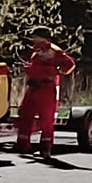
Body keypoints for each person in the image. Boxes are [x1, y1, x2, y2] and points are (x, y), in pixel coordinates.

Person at [14, 27, 76, 159]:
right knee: (25, 114)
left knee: (46, 120)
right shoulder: (36, 51)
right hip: (33, 87)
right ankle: (23, 144)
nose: (33, 40)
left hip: (46, 88)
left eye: (35, 37)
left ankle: (45, 148)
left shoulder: (54, 51)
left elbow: (70, 64)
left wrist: (59, 72)